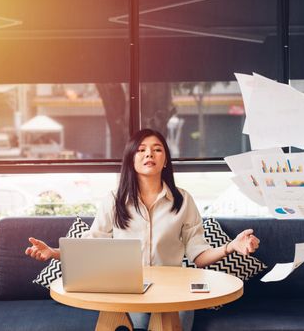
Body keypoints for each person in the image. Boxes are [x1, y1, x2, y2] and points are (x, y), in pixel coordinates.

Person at [25, 128, 260, 331]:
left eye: (157, 149)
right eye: (141, 149)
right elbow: (91, 245)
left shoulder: (183, 200)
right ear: (131, 159)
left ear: (165, 159)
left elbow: (199, 256)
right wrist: (54, 252)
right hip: (126, 290)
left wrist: (232, 246)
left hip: (174, 291)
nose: (149, 153)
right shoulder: (114, 200)